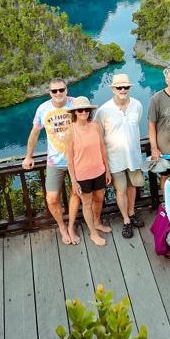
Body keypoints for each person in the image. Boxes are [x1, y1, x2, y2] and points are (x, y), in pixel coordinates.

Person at [22, 77, 79, 245]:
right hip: (55, 161)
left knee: (77, 193)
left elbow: (88, 127)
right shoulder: (43, 109)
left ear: (66, 90)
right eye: (54, 91)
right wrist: (28, 156)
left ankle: (71, 226)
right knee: (52, 199)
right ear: (50, 93)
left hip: (76, 160)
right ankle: (61, 226)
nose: (58, 93)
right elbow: (34, 133)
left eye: (61, 89)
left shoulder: (76, 104)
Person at [96, 71, 145, 238]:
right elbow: (100, 137)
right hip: (115, 159)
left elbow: (135, 125)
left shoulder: (137, 105)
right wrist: (105, 166)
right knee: (121, 190)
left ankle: (131, 213)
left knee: (132, 186)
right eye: (119, 87)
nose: (122, 90)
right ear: (113, 89)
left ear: (129, 88)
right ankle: (125, 220)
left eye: (125, 87)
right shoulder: (103, 111)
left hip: (133, 156)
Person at [62, 96, 113, 248]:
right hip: (82, 175)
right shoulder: (71, 131)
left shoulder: (95, 126)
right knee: (87, 203)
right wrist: (73, 180)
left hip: (99, 171)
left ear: (90, 111)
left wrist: (107, 170)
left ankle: (97, 222)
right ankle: (93, 233)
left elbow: (103, 149)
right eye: (80, 110)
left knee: (99, 198)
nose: (83, 112)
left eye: (86, 109)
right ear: (75, 112)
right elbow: (69, 159)